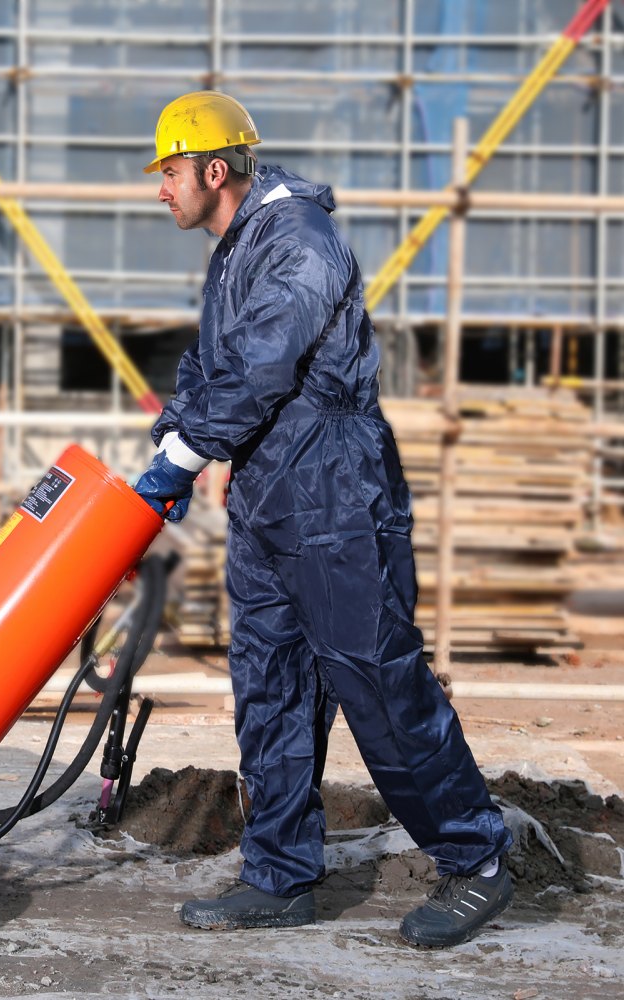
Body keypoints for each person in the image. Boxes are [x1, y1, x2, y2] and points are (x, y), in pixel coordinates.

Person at [133, 91, 513, 948]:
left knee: (377, 681)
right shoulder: (236, 252)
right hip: (269, 497)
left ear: (214, 170)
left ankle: (476, 857)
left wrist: (184, 459)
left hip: (335, 494)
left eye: (169, 171)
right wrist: (170, 438)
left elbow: (265, 364)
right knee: (270, 689)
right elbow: (215, 364)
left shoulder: (298, 240)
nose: (160, 188)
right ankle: (279, 873)